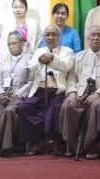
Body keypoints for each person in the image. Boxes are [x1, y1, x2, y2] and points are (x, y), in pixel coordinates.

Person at [59, 25, 100, 159]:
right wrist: (72, 92)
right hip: (81, 91)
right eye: (93, 35)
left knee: (96, 106)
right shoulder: (79, 56)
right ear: (88, 38)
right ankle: (73, 145)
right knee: (68, 105)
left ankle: (90, 145)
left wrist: (98, 94)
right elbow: (72, 77)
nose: (95, 38)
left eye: (99, 35)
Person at [16, 25, 74, 155]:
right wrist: (41, 60)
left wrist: (52, 57)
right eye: (47, 34)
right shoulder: (39, 50)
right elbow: (31, 67)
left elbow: (66, 67)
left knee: (55, 108)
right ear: (44, 37)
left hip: (57, 91)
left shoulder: (67, 51)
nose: (50, 37)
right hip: (40, 90)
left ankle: (55, 142)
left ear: (60, 37)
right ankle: (38, 140)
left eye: (54, 34)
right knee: (23, 108)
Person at [0, 30, 32, 157]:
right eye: (9, 44)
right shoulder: (3, 60)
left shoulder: (30, 59)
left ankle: (7, 147)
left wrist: (18, 93)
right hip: (3, 94)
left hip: (19, 95)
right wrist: (0, 94)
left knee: (10, 110)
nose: (12, 46)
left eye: (14, 43)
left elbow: (31, 81)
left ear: (22, 44)